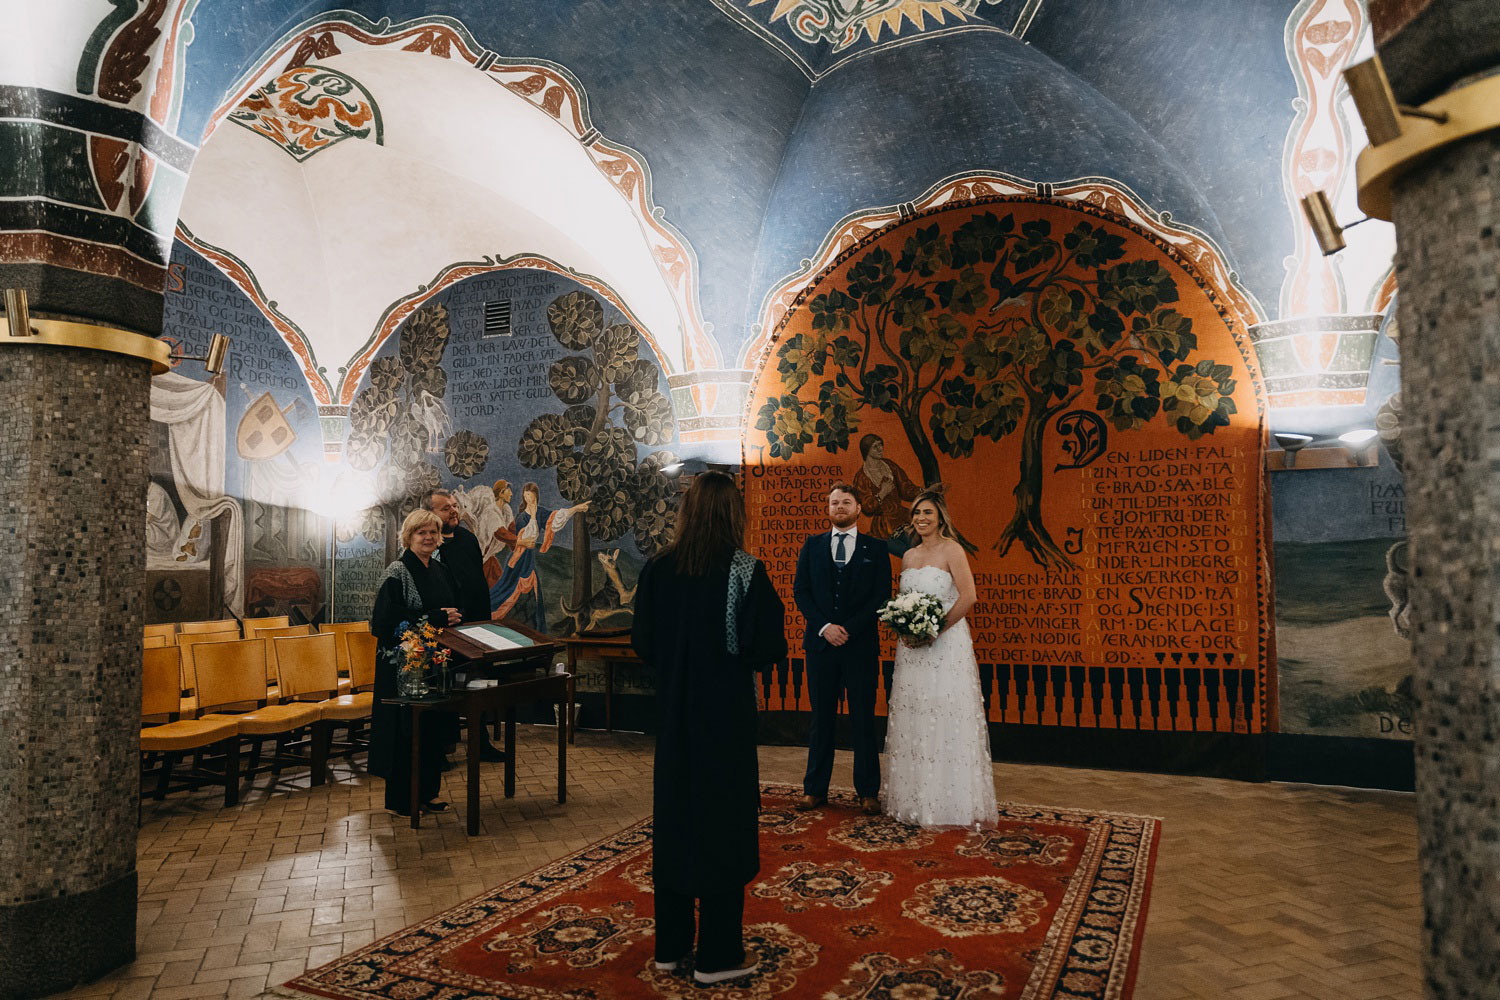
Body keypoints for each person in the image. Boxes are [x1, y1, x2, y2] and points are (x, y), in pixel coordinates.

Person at [631, 471, 786, 985]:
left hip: (674, 718)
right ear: (732, 515)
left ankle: (671, 948)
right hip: (725, 721)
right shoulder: (745, 571)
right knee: (722, 826)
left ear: (687, 512)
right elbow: (766, 648)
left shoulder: (657, 568)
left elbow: (643, 644)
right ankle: (719, 956)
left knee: (676, 821)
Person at [882, 486, 997, 828]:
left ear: (940, 517)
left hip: (945, 645)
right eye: (916, 513)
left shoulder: (953, 550)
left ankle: (951, 804)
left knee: (945, 714)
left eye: (927, 512)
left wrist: (935, 629)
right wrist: (904, 626)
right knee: (916, 714)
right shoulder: (910, 556)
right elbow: (905, 601)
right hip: (911, 650)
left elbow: (968, 596)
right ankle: (916, 799)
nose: (920, 518)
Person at [792, 482, 892, 815]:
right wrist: (824, 627)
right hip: (820, 646)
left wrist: (848, 629)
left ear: (858, 508)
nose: (839, 507)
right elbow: (801, 593)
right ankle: (814, 789)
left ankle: (867, 792)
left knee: (863, 718)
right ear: (828, 508)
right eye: (834, 502)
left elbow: (881, 596)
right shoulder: (812, 545)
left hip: (860, 647)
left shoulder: (875, 549)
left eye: (846, 502)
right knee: (821, 718)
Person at [369, 509, 462, 817]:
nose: (428, 537)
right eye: (421, 532)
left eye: (433, 532)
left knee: (432, 728)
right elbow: (384, 622)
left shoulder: (440, 569)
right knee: (405, 732)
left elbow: (449, 608)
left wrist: (451, 618)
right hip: (402, 666)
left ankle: (429, 792)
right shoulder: (396, 572)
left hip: (435, 662)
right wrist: (435, 617)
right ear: (408, 537)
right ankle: (401, 800)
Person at [425, 489, 503, 763]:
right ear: (431, 514)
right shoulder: (430, 546)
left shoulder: (468, 539)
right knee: (446, 687)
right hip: (447, 631)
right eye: (446, 508)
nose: (454, 511)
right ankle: (441, 749)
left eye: (455, 506)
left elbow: (477, 583)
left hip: (477, 627)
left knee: (478, 685)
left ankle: (479, 743)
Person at [489, 482, 588, 630]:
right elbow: (524, 538)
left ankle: (533, 627)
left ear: (535, 495)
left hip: (528, 558)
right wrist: (532, 520)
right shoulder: (522, 518)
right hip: (519, 559)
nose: (528, 497)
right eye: (526, 494)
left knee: (531, 592)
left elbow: (555, 518)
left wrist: (576, 508)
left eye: (531, 494)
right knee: (507, 588)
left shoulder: (540, 512)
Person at [851, 433, 921, 539]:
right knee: (912, 541)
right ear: (867, 450)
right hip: (885, 524)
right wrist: (882, 493)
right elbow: (867, 508)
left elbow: (906, 489)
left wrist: (924, 491)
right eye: (875, 447)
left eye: (880, 445)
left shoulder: (889, 466)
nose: (880, 449)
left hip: (902, 515)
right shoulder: (861, 477)